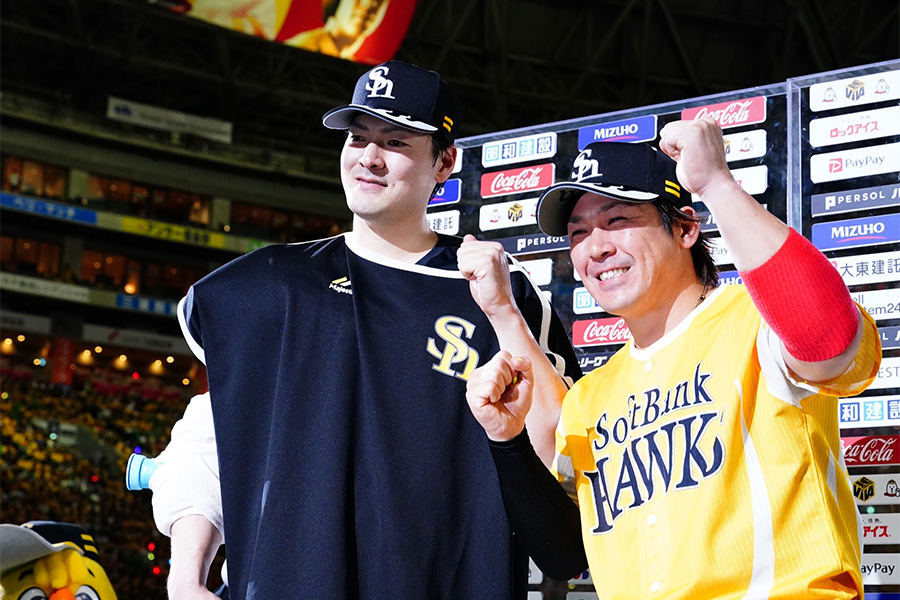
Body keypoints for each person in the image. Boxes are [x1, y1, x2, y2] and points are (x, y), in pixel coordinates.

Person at [146, 60, 580, 600]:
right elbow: (210, 439)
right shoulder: (269, 283)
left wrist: (501, 313)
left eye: (394, 141)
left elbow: (555, 456)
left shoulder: (496, 292)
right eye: (357, 137)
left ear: (444, 162)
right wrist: (187, 574)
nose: (368, 158)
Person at [466, 118, 882, 599]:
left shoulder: (757, 321)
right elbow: (564, 552)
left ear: (685, 228)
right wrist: (500, 313)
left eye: (618, 220)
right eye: (578, 233)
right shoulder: (591, 397)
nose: (596, 248)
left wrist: (715, 184)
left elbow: (827, 339)